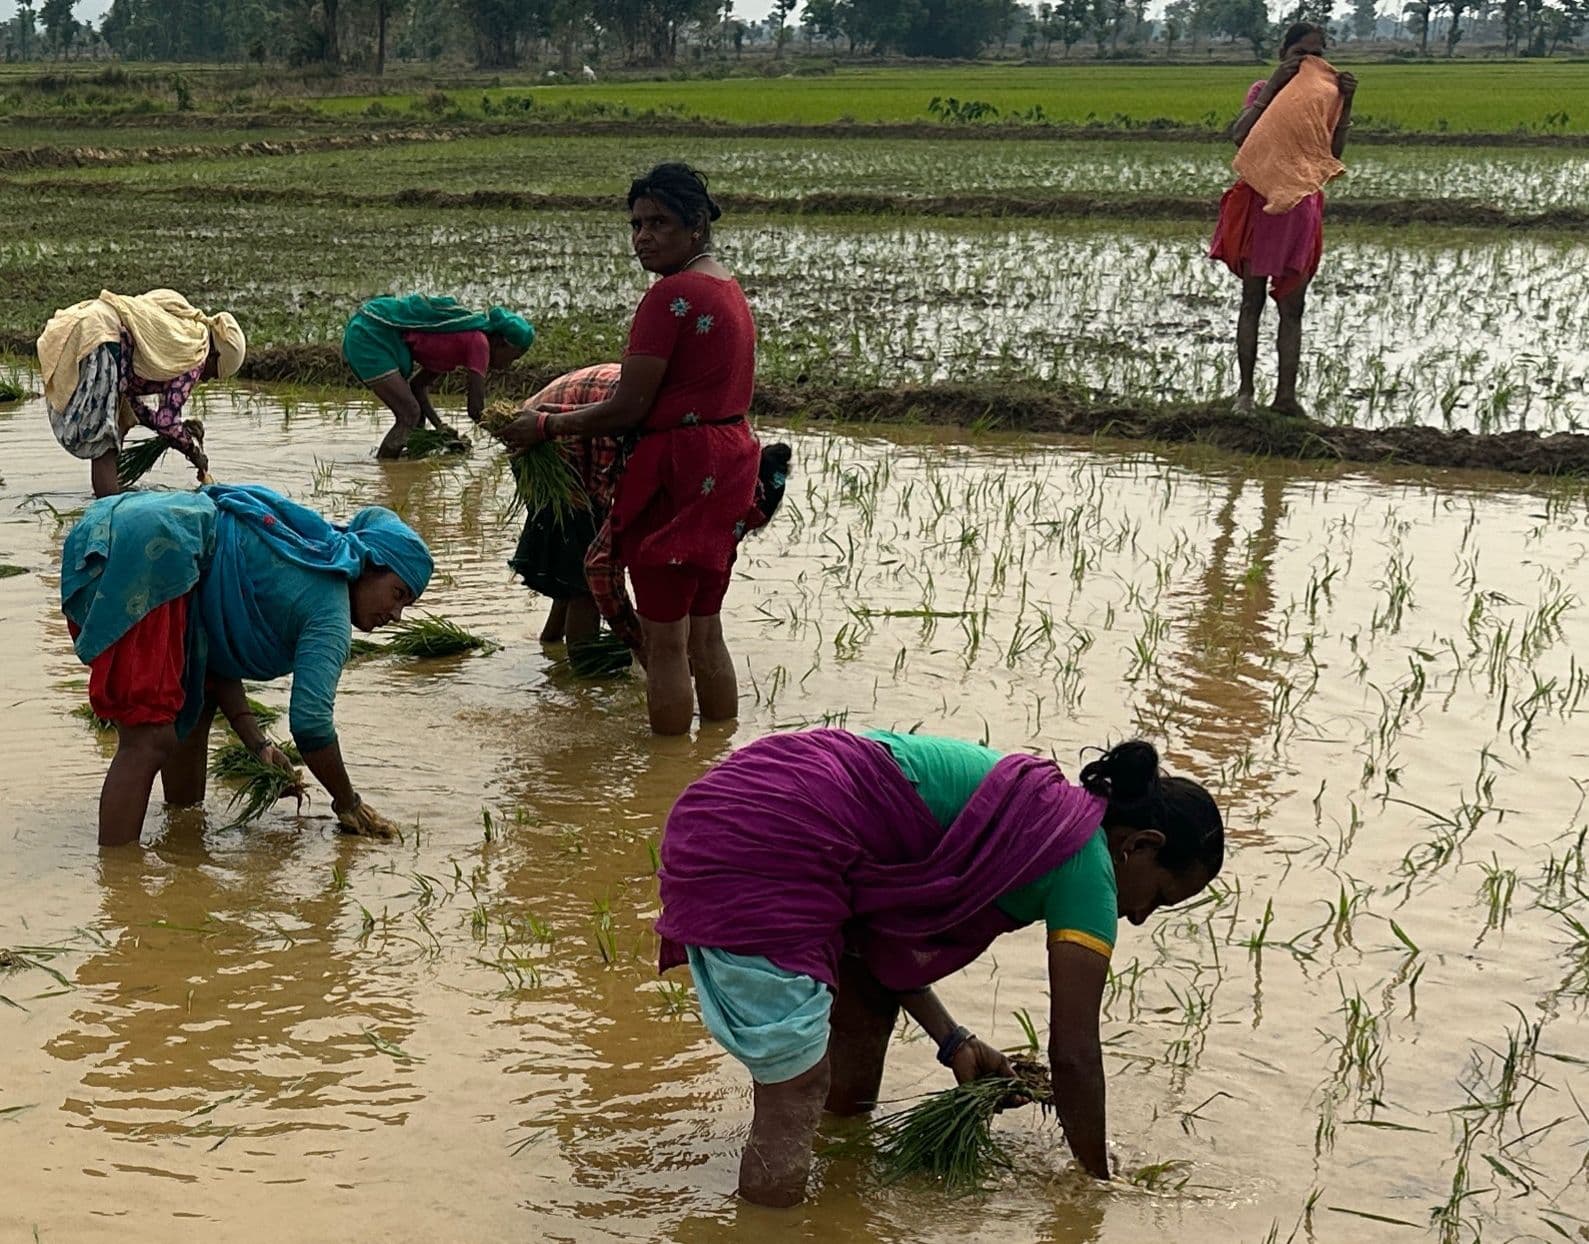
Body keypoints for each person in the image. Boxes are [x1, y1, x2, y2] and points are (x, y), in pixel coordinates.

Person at [654, 728, 1224, 1207]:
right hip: (768, 836)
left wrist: (954, 1042)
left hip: (749, 795)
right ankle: (768, 1227)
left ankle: (838, 1178)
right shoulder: (1087, 863)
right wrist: (1096, 1189)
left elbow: (877, 946)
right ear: (1140, 846)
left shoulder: (1045, 815)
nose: (1141, 916)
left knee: (865, 1003)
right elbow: (1074, 1054)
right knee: (795, 1083)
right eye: (1160, 896)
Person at [494, 164, 765, 735]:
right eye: (636, 224)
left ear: (696, 224)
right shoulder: (726, 286)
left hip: (678, 467)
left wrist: (544, 426)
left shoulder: (672, 296)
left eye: (659, 222)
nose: (643, 236)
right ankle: (719, 756)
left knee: (666, 643)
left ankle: (671, 774)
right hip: (730, 459)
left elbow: (629, 407)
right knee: (705, 630)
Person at [60, 482, 434, 847]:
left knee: (195, 705)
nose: (396, 614)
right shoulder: (330, 611)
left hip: (122, 528)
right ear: (369, 565)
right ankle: (119, 879)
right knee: (148, 739)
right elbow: (312, 725)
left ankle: (183, 840)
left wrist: (259, 744)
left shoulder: (310, 553)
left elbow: (218, 662)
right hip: (149, 553)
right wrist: (348, 803)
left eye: (407, 604)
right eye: (397, 593)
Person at [508, 363, 792, 667]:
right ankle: (584, 677)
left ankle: (552, 641)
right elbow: (600, 565)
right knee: (581, 568)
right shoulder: (668, 463)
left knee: (575, 557)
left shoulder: (724, 451)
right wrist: (640, 644)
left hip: (590, 416)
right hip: (549, 435)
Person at [1209, 22, 1357, 418]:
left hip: (1299, 207)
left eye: (1317, 54)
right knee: (1252, 300)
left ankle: (1286, 399)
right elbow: (1240, 135)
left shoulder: (1326, 98)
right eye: (1300, 54)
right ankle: (1245, 394)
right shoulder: (1263, 90)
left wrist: (1346, 103)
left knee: (1293, 307)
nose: (1309, 61)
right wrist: (1275, 85)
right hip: (1261, 204)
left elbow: (1332, 154)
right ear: (1283, 54)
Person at [37, 288, 247, 498]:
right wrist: (193, 452)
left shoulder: (184, 334)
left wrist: (181, 430)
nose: (207, 379)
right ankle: (109, 511)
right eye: (213, 374)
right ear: (214, 355)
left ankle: (109, 496)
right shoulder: (196, 354)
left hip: (89, 325)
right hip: (102, 339)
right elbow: (166, 423)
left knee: (114, 430)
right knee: (105, 447)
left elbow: (138, 409)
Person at [341, 294, 535, 458]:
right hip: (370, 334)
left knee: (416, 420)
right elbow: (476, 410)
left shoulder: (459, 339)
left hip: (370, 328)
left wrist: (440, 426)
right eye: (513, 357)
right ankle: (386, 473)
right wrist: (513, 437)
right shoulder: (479, 344)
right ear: (501, 343)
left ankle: (400, 471)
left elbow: (418, 386)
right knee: (409, 414)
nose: (509, 365)